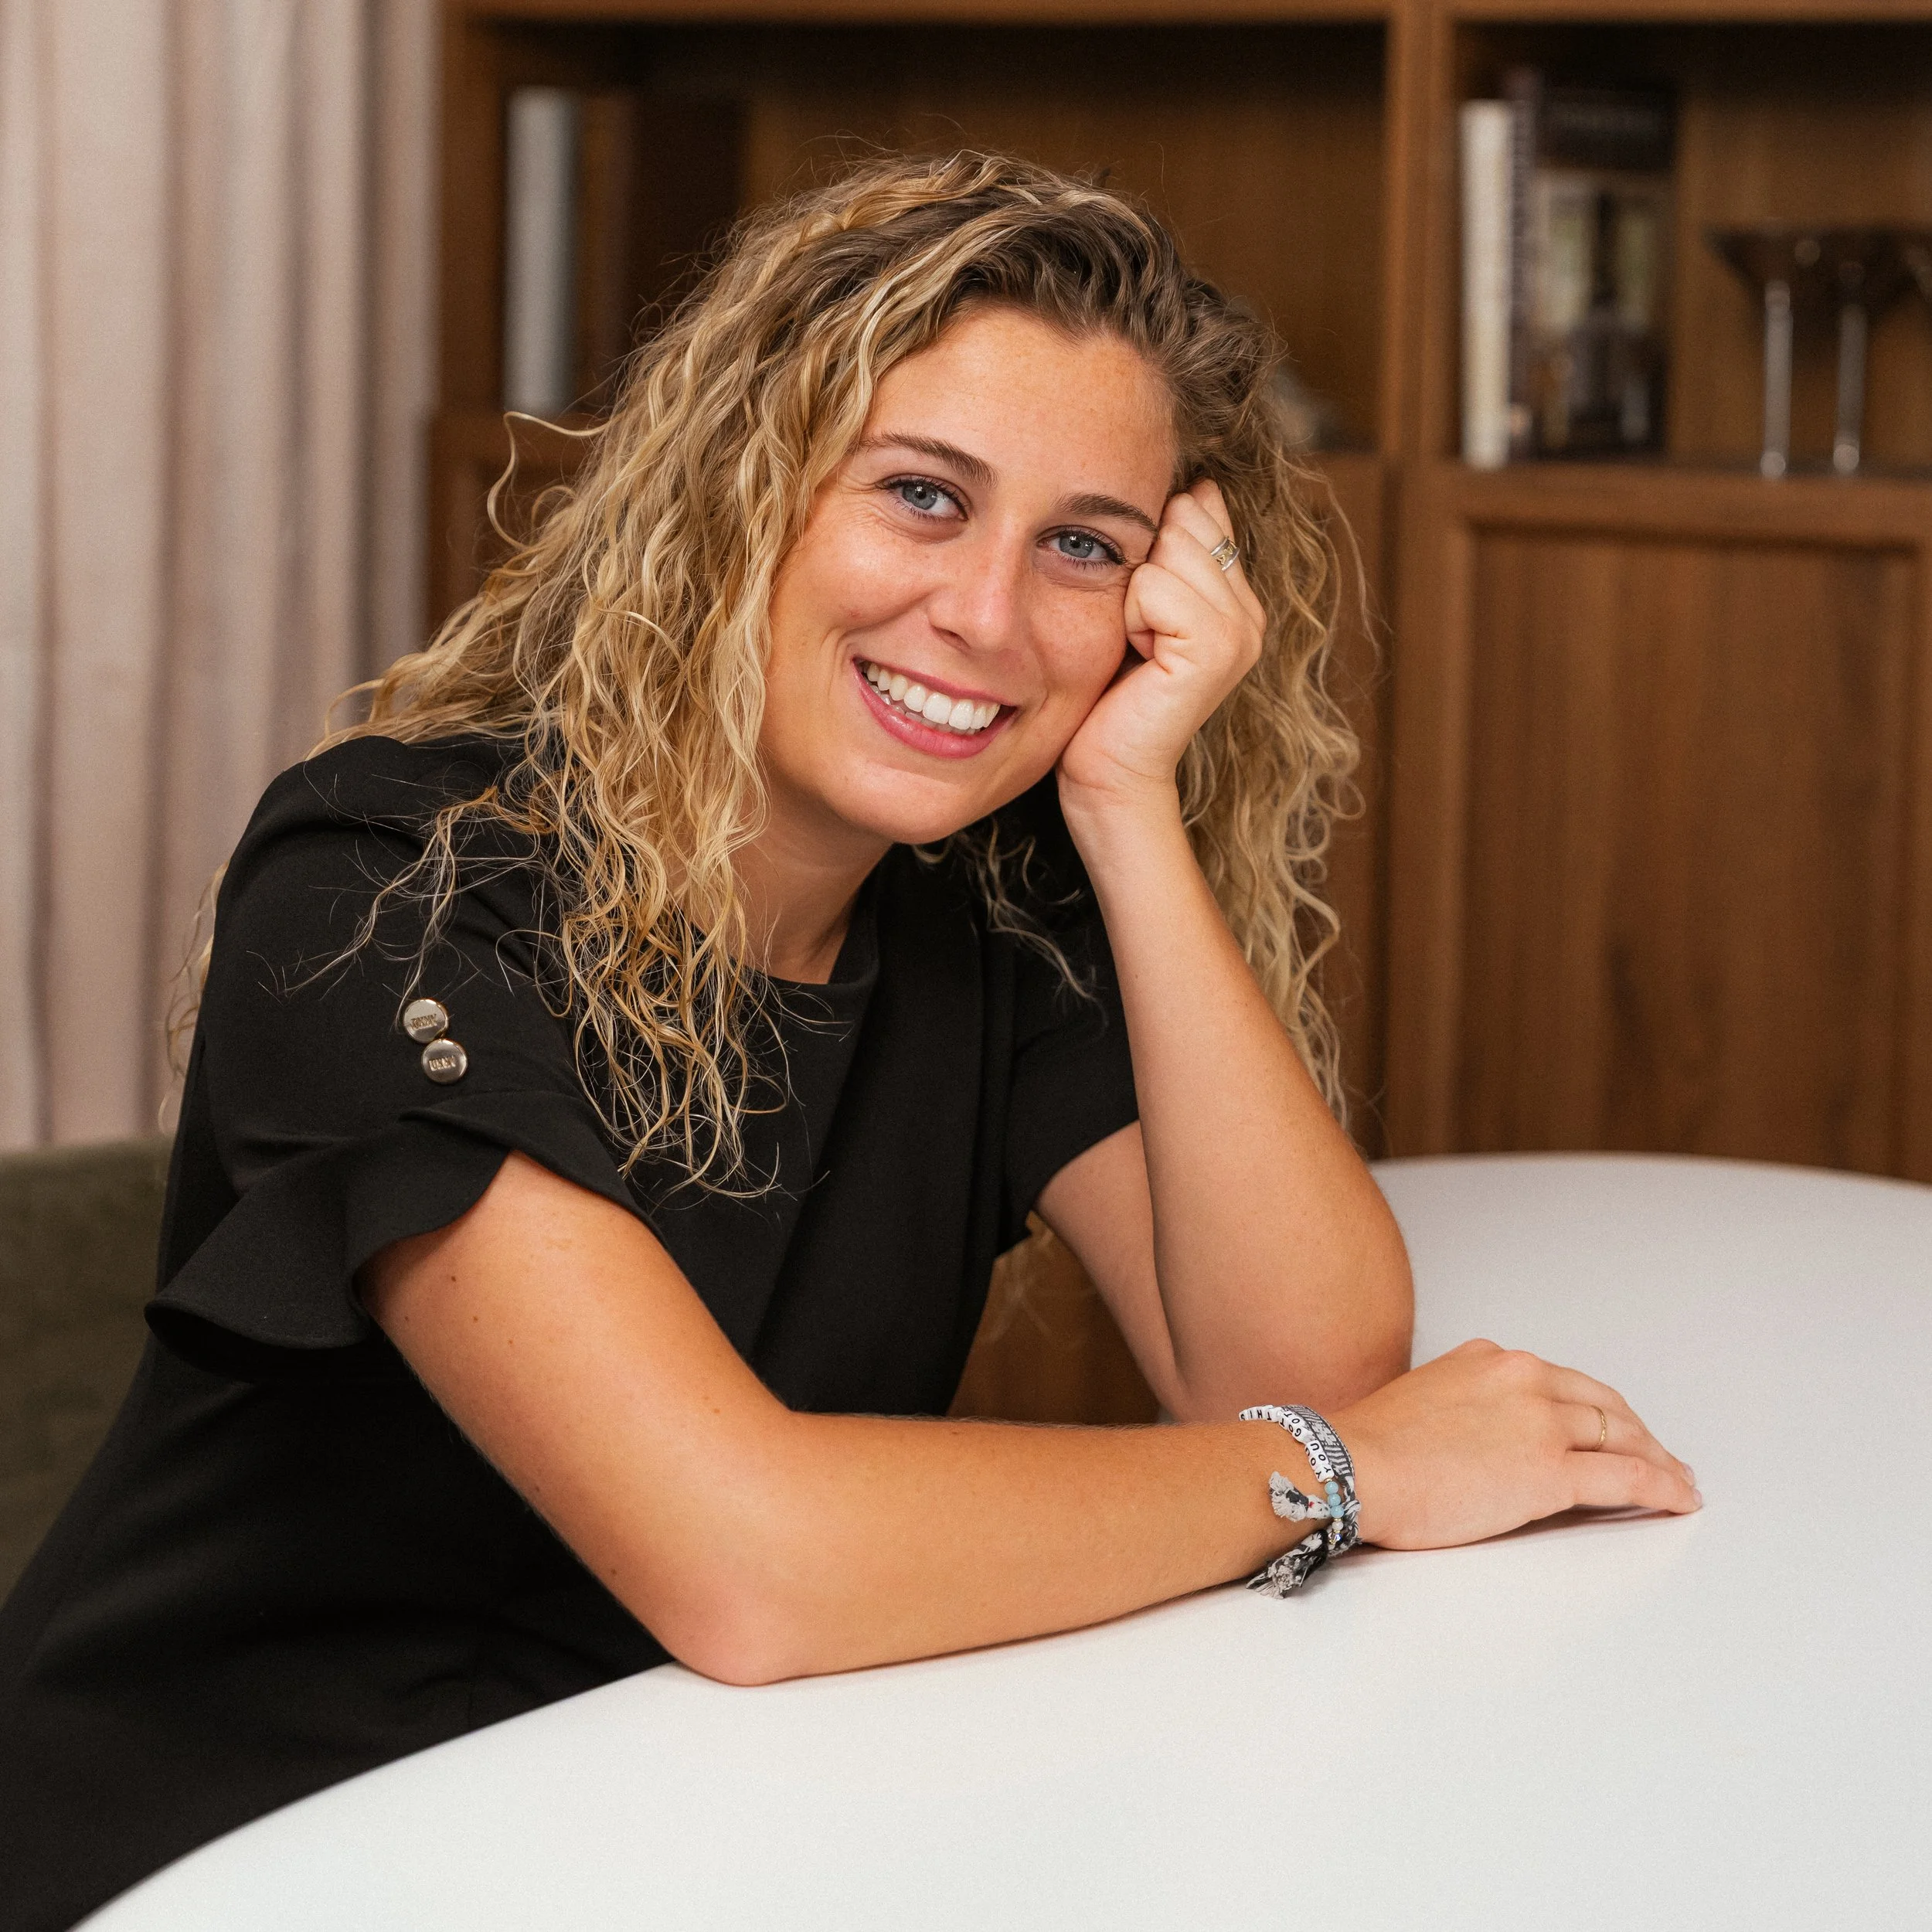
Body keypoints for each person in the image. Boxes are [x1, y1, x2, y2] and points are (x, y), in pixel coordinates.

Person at [0, 151, 1697, 1931]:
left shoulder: (984, 900)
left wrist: (1122, 797)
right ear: (744, 492)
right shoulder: (383, 886)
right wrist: (1345, 1482)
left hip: (665, 1818)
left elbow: (1293, 1349)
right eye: (920, 495)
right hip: (222, 1848)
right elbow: (748, 1559)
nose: (985, 617)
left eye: (1082, 547)